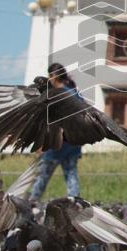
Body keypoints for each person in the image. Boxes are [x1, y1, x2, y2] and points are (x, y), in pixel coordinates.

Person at [29, 63, 83, 200]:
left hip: (57, 143)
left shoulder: (56, 95)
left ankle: (31, 202)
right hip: (73, 143)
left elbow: (51, 121)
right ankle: (74, 202)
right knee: (71, 174)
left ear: (53, 77)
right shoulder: (74, 92)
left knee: (43, 175)